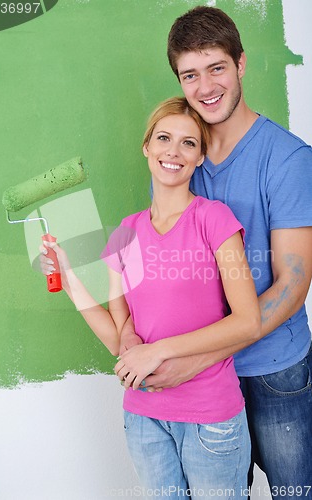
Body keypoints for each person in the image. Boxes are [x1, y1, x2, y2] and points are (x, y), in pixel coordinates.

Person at [119, 6, 312, 498]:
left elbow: (292, 286)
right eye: (190, 74)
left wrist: (200, 357)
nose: (205, 86)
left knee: (295, 492)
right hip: (200, 387)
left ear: (241, 64)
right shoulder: (180, 156)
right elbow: (154, 272)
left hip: (272, 370)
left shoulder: (288, 160)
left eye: (217, 68)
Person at [41, 97, 261, 499]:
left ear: (200, 157)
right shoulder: (125, 232)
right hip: (144, 418)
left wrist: (156, 351)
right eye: (164, 138)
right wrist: (68, 276)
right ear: (147, 147)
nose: (173, 151)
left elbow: (248, 321)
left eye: (188, 143)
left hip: (210, 417)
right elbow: (119, 336)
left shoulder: (213, 219)